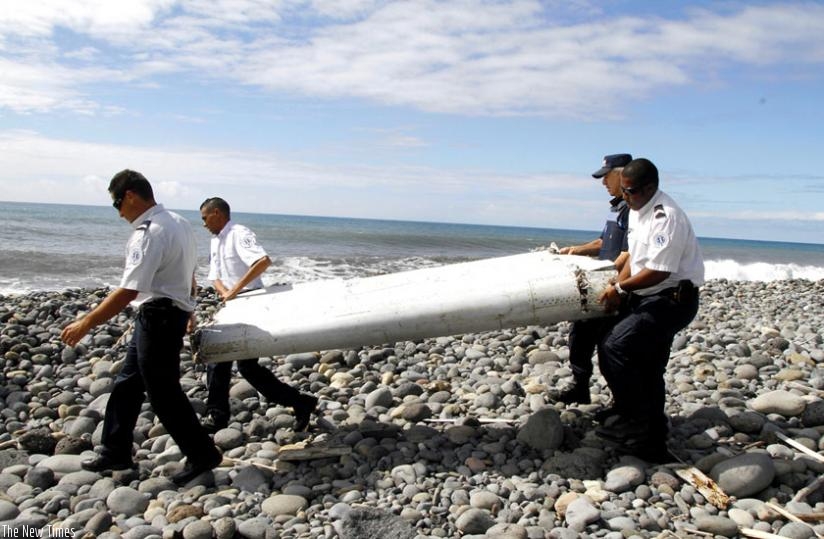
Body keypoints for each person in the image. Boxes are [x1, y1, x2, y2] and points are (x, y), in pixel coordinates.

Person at [61, 170, 222, 485]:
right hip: (166, 313)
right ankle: (115, 451)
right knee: (128, 383)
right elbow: (188, 272)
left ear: (131, 196)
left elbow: (129, 291)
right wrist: (188, 306)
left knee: (163, 392)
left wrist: (86, 322)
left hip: (158, 317)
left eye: (117, 204)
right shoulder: (179, 223)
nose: (119, 213)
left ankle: (202, 453)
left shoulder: (148, 232)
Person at [596, 158, 704, 462]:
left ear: (650, 188)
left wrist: (620, 289)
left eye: (630, 191)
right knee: (643, 363)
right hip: (648, 297)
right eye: (624, 191)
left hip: (672, 300)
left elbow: (658, 270)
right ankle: (639, 425)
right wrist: (618, 282)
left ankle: (639, 426)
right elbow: (635, 256)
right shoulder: (637, 210)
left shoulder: (666, 217)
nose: (625, 196)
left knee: (618, 347)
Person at [199, 197, 318, 433]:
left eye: (205, 218)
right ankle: (218, 416)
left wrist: (235, 290)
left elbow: (262, 261)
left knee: (244, 366)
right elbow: (214, 275)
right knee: (222, 361)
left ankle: (299, 402)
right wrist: (225, 293)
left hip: (250, 302)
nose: (203, 224)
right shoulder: (215, 241)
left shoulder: (238, 233)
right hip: (231, 305)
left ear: (216, 213)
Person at [554, 153, 632, 405]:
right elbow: (602, 242)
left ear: (622, 174)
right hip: (600, 282)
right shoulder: (615, 208)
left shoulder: (632, 209)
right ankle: (580, 387)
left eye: (607, 177)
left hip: (615, 286)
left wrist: (614, 285)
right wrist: (576, 250)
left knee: (609, 346)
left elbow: (630, 253)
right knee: (579, 336)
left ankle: (622, 402)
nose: (603, 182)